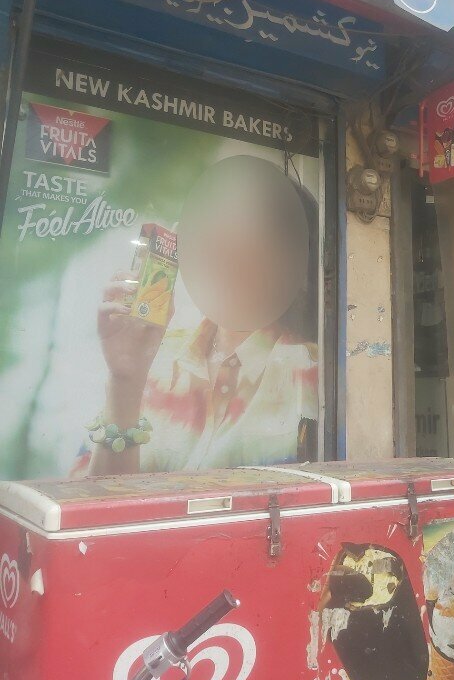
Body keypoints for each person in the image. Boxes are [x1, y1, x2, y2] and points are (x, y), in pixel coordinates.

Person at [75, 155, 319, 477]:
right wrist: (126, 381)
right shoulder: (154, 358)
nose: (230, 243)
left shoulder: (314, 375)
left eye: (254, 230)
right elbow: (90, 512)